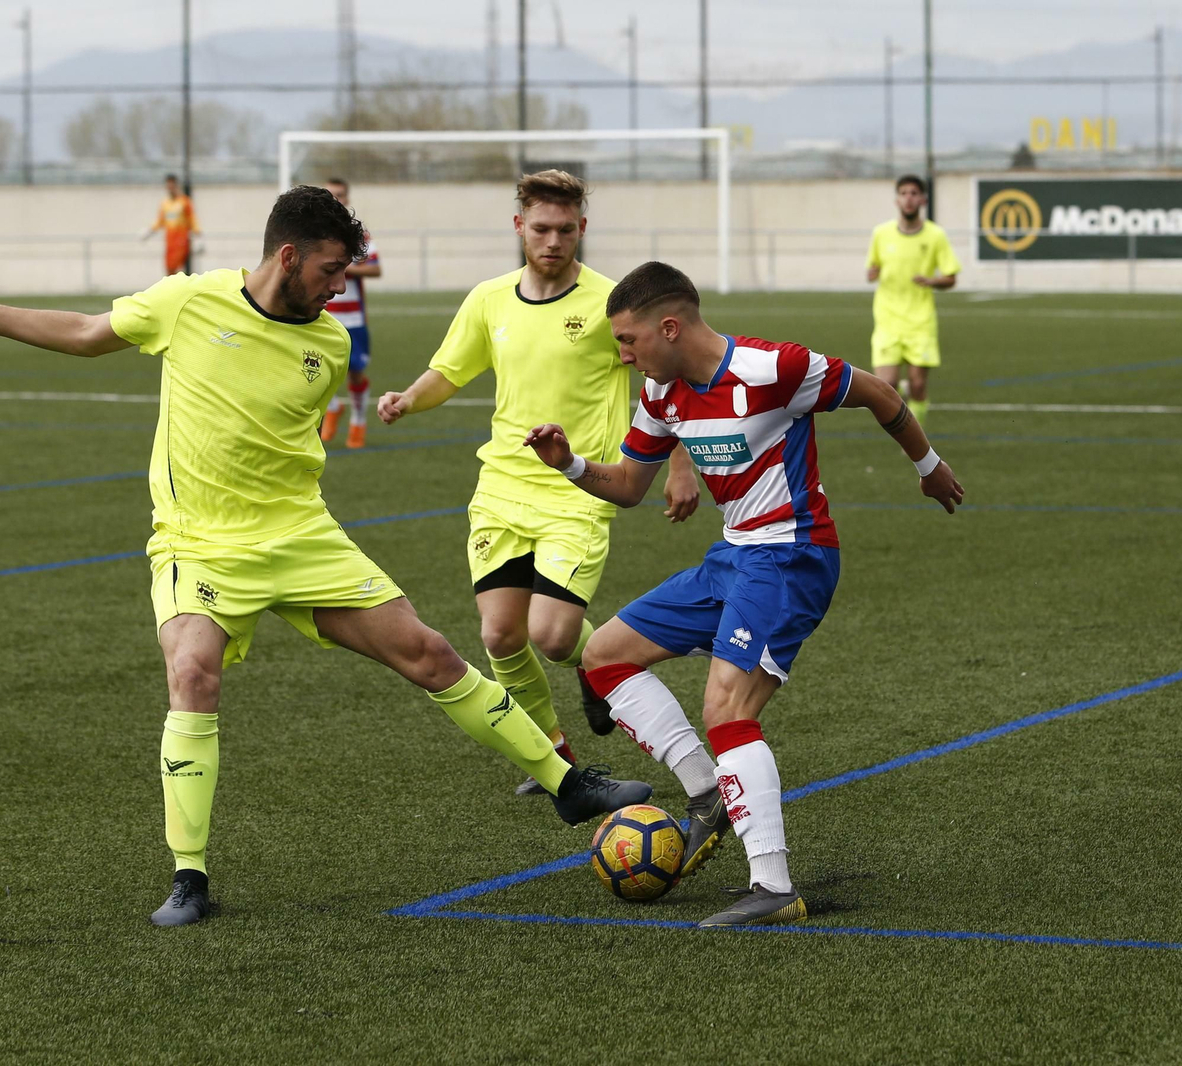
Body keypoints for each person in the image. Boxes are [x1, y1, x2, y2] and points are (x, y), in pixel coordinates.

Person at [0, 186, 650, 927]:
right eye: (329, 271)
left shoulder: (325, 344)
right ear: (287, 255)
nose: (337, 288)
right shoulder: (187, 302)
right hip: (199, 543)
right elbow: (87, 331)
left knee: (429, 654)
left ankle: (565, 783)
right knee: (192, 672)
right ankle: (189, 875)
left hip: (300, 538)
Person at [525, 260, 964, 926]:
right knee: (604, 655)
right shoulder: (662, 395)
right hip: (731, 556)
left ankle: (774, 887)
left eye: (628, 340)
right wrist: (570, 466)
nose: (622, 355)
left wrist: (928, 468)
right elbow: (630, 486)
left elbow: (876, 392)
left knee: (725, 706)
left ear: (669, 327)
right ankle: (707, 796)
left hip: (792, 556)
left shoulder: (773, 370)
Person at [378, 171, 702, 805]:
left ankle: (594, 661)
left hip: (577, 490)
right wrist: (408, 399)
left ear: (583, 228)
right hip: (501, 487)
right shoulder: (490, 300)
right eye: (541, 228)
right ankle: (551, 753)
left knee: (554, 636)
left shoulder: (613, 306)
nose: (553, 240)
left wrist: (682, 464)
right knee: (500, 636)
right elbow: (450, 369)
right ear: (519, 226)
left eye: (566, 229)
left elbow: (669, 379)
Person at [866, 174, 960, 427]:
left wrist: (932, 281)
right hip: (888, 321)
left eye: (914, 193)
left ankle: (916, 436)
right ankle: (906, 432)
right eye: (904, 193)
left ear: (923, 199)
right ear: (897, 200)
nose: (909, 198)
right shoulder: (881, 234)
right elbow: (871, 270)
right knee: (886, 387)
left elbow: (951, 277)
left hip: (920, 321)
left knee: (918, 387)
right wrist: (872, 274)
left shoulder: (935, 236)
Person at [319, 177, 381, 449]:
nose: (337, 200)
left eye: (341, 195)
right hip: (322, 313)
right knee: (320, 369)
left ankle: (358, 421)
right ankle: (332, 409)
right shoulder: (315, 233)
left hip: (353, 317)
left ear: (347, 198)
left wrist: (342, 267)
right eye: (331, 195)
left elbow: (375, 268)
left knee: (355, 371)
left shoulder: (358, 234)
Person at [143, 174, 202, 276]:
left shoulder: (184, 201)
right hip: (170, 239)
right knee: (169, 268)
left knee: (178, 267)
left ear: (176, 186)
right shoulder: (165, 203)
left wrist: (198, 236)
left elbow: (192, 219)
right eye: (168, 186)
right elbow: (160, 221)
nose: (170, 189)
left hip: (181, 239)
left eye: (172, 186)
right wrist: (149, 231)